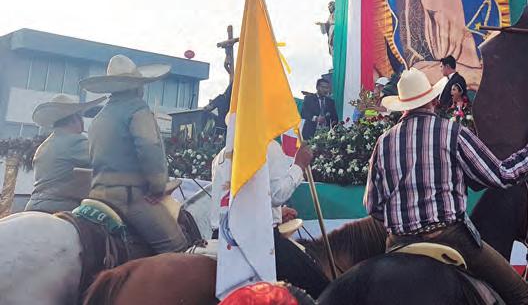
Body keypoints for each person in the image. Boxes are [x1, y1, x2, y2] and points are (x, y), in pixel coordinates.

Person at [364, 68, 528, 305]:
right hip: (449, 237)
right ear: (432, 100)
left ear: (403, 106)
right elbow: (503, 175)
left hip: (399, 243)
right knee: (521, 294)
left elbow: (372, 205)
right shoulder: (452, 132)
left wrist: (404, 224)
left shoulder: (383, 143)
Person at [81, 54, 189, 254]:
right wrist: (157, 188)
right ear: (137, 86)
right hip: (129, 198)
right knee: (178, 248)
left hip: (97, 196)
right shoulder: (138, 110)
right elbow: (149, 149)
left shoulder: (98, 118)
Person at [211, 140, 329, 299]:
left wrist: (276, 213)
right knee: (321, 287)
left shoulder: (221, 155)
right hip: (258, 240)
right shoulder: (268, 147)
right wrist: (299, 165)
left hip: (222, 237)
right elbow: (278, 194)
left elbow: (238, 200)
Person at [25, 94, 106, 213]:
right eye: (80, 117)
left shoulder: (44, 145)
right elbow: (106, 160)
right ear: (75, 119)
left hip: (33, 204)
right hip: (62, 206)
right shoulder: (76, 141)